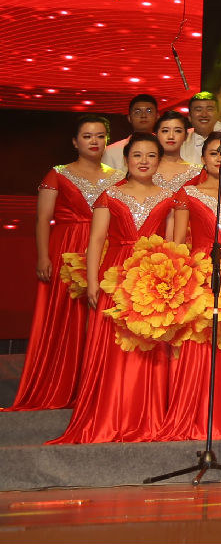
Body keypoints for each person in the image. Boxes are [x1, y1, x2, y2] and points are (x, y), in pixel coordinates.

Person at [50, 133, 179, 444]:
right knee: (113, 348)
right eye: (137, 155)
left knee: (148, 348)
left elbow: (173, 246)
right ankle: (109, 416)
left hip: (153, 278)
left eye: (151, 156)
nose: (144, 161)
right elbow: (96, 241)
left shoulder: (170, 198)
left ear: (159, 161)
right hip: (116, 274)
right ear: (126, 160)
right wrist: (93, 283)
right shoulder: (109, 196)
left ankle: (147, 417)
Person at [12, 115, 118, 411]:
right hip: (66, 248)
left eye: (100, 136)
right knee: (64, 317)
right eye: (87, 136)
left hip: (104, 249)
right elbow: (42, 219)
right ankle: (58, 383)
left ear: (107, 140)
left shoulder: (118, 176)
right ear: (75, 141)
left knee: (98, 317)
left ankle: (93, 387)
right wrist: (43, 256)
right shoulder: (57, 174)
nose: (94, 141)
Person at [159, 133, 221, 440]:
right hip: (200, 271)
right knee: (200, 342)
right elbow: (177, 241)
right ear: (202, 158)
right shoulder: (188, 193)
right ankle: (195, 413)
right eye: (214, 153)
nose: (220, 158)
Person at [103, 93, 160, 173]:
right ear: (129, 118)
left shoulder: (167, 149)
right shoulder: (111, 151)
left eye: (149, 111)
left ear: (157, 116)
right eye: (137, 112)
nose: (143, 115)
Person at [151, 110, 199, 194]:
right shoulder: (145, 168)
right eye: (165, 131)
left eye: (177, 131)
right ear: (156, 135)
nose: (171, 136)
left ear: (186, 136)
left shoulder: (196, 173)